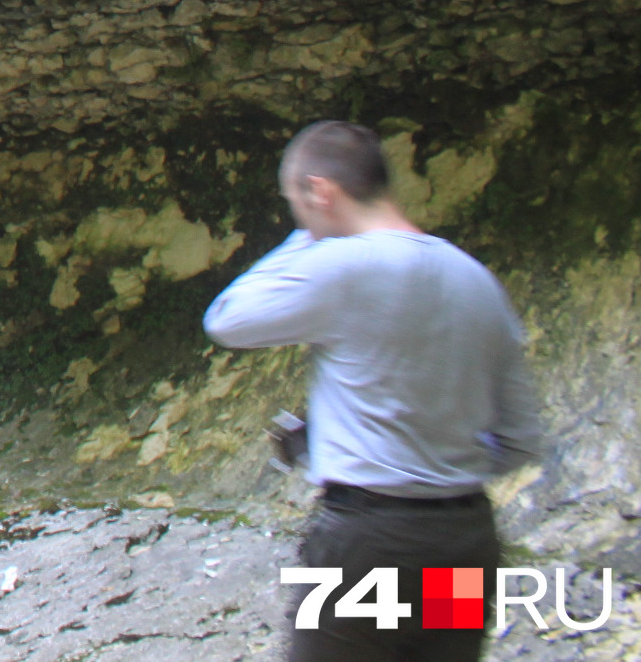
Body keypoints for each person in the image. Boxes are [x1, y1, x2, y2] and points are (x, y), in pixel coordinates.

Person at [204, 121, 541, 662]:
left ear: (321, 191)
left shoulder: (343, 266)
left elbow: (228, 319)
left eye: (298, 203)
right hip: (463, 543)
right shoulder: (477, 280)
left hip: (369, 541)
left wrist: (306, 237)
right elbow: (522, 440)